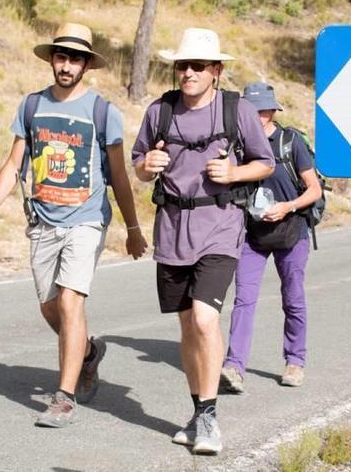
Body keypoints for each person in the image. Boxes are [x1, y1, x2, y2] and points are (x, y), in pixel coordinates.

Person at [0, 22, 148, 428]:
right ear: (53, 59)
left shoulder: (104, 112)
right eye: (61, 57)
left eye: (75, 59)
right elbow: (14, 165)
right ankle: (87, 353)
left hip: (86, 221)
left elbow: (119, 176)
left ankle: (63, 397)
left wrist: (133, 228)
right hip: (43, 222)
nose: (67, 65)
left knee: (71, 302)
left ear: (87, 65)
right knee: (51, 308)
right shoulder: (32, 107)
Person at [131, 28, 275, 455]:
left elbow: (264, 163)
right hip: (172, 231)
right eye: (182, 65)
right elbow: (138, 162)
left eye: (198, 66)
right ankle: (197, 411)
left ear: (217, 70)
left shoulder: (238, 110)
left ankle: (210, 416)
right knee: (186, 327)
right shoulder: (160, 111)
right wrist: (146, 165)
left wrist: (234, 174)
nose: (188, 72)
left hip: (220, 229)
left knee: (205, 320)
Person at [220, 82, 322, 393]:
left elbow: (314, 189)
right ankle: (234, 367)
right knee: (243, 300)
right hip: (252, 234)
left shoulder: (290, 142)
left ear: (268, 113)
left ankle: (295, 361)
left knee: (292, 298)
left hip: (291, 232)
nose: (248, 117)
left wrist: (287, 207)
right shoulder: (239, 145)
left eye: (254, 111)